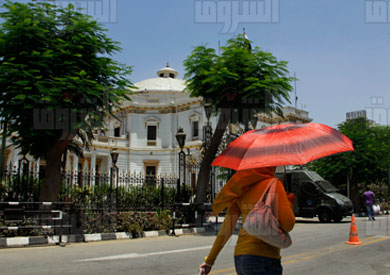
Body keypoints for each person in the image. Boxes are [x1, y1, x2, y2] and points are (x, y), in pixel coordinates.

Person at [199, 167, 296, 275]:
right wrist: (289, 203)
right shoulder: (273, 185)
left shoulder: (242, 188)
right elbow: (288, 225)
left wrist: (209, 261)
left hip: (241, 258)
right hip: (265, 259)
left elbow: (226, 229)